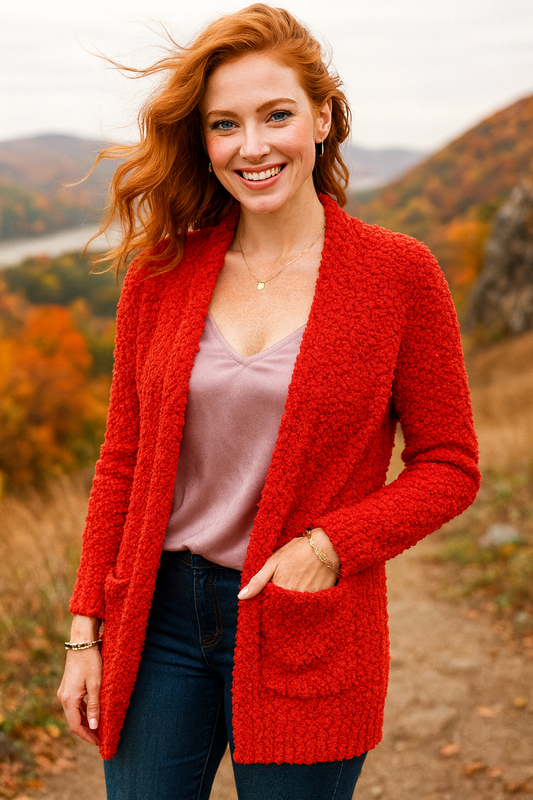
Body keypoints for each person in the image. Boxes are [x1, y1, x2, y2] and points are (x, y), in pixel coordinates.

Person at [57, 5, 480, 799]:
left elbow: (449, 465)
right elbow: (123, 459)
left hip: (303, 620)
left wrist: (328, 546)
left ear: (320, 118)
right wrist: (86, 630)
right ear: (204, 140)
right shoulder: (161, 274)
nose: (251, 146)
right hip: (156, 622)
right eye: (225, 124)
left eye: (275, 115)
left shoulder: (397, 275)